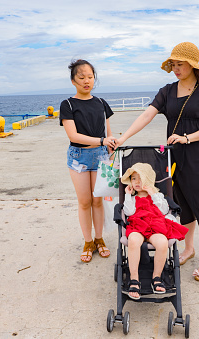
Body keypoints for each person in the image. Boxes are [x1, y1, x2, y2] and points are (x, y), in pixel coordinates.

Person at [115, 42, 199, 281]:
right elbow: (147, 114)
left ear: (193, 65)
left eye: (180, 65)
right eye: (173, 65)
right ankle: (188, 249)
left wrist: (187, 138)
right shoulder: (167, 91)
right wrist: (123, 137)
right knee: (182, 204)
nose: (175, 69)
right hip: (174, 156)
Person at [59, 59, 118, 263]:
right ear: (73, 81)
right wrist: (101, 140)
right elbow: (73, 136)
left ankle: (99, 239)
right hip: (79, 158)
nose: (87, 81)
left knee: (98, 201)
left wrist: (111, 146)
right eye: (82, 77)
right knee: (85, 202)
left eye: (90, 77)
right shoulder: (67, 104)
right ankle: (87, 241)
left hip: (102, 155)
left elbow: (108, 132)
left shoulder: (101, 103)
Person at [121, 163, 188, 299]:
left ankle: (156, 277)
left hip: (155, 227)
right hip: (138, 226)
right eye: (133, 179)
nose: (137, 182)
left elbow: (163, 210)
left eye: (141, 178)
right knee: (133, 239)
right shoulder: (132, 198)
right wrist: (127, 195)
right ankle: (134, 279)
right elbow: (129, 212)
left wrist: (153, 194)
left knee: (163, 242)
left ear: (149, 180)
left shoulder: (158, 196)